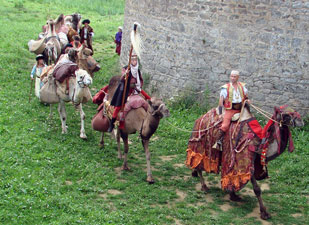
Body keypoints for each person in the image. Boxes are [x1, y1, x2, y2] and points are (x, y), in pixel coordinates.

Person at [107, 54, 151, 132]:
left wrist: (138, 86)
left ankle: (150, 116)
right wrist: (125, 74)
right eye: (133, 60)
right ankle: (112, 125)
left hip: (135, 89)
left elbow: (139, 79)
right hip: (126, 90)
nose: (134, 62)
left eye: (135, 60)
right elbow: (121, 78)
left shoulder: (137, 69)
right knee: (118, 108)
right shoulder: (125, 68)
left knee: (148, 99)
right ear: (130, 61)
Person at [215, 70, 249, 148]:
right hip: (230, 110)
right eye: (231, 76)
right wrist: (220, 114)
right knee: (224, 126)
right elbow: (221, 102)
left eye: (234, 76)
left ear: (238, 77)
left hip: (241, 109)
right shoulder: (225, 88)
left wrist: (248, 100)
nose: (233, 78)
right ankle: (219, 141)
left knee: (251, 121)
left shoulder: (242, 86)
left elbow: (246, 97)